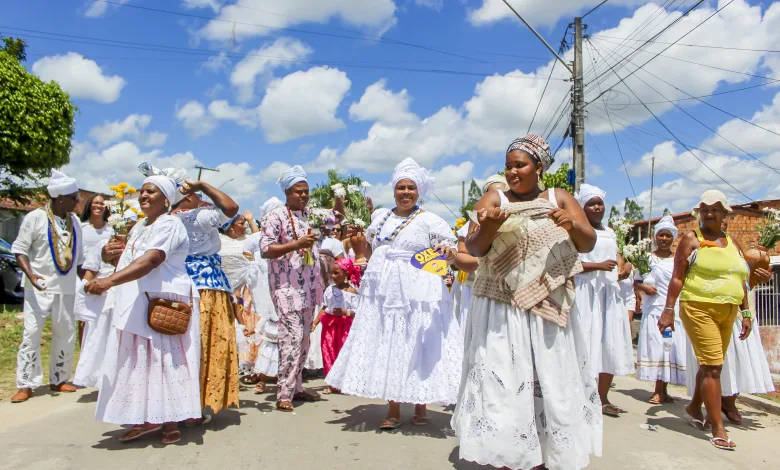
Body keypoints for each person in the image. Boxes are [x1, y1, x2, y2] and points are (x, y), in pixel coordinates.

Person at [452, 135, 600, 470]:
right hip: (501, 306)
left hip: (546, 304)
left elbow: (587, 242)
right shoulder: (494, 196)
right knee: (502, 379)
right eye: (508, 166)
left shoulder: (558, 197)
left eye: (520, 165)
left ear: (539, 167)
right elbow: (475, 249)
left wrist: (572, 224)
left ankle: (542, 454)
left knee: (546, 377)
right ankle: (507, 453)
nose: (513, 172)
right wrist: (488, 227)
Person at [326, 157, 463, 429]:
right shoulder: (380, 218)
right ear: (393, 190)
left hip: (419, 292)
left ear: (419, 191)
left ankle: (421, 405)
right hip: (385, 292)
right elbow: (370, 252)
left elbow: (449, 248)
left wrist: (448, 251)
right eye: (401, 187)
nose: (406, 193)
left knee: (417, 342)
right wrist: (359, 242)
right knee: (390, 342)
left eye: (411, 188)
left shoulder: (431, 220)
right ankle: (393, 408)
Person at [85, 174, 199, 445]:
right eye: (142, 192)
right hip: (137, 299)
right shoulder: (140, 227)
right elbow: (129, 258)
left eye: (151, 192)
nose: (144, 196)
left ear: (167, 199)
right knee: (138, 360)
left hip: (162, 302)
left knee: (165, 359)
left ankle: (171, 419)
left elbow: (152, 259)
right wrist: (107, 256)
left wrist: (108, 282)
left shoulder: (170, 224)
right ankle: (144, 417)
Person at [660, 190, 750, 451]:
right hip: (698, 307)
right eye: (705, 209)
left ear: (724, 214)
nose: (709, 213)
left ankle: (692, 407)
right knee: (713, 368)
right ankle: (717, 426)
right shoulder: (692, 239)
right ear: (699, 213)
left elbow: (740, 280)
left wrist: (746, 313)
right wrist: (668, 309)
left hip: (728, 311)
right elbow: (677, 277)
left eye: (715, 209)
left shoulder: (732, 242)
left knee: (710, 365)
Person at [162, 167, 240, 422]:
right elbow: (231, 208)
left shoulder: (163, 220)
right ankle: (193, 404)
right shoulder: (197, 217)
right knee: (203, 347)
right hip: (206, 288)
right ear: (186, 197)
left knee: (179, 348)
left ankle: (176, 403)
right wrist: (203, 185)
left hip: (173, 286)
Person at [10, 170, 84, 403]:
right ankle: (26, 383)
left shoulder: (77, 224)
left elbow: (79, 261)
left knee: (65, 334)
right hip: (38, 288)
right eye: (74, 197)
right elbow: (19, 249)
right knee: (31, 334)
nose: (78, 201)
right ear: (60, 197)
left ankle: (59, 378)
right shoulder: (35, 217)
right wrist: (31, 275)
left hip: (66, 288)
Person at [260, 165, 323, 412]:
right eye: (298, 192)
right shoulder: (274, 216)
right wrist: (296, 244)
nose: (303, 196)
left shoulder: (309, 216)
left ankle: (296, 387)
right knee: (291, 338)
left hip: (308, 286)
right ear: (287, 191)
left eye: (306, 191)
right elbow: (266, 249)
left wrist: (341, 198)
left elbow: (337, 218)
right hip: (286, 287)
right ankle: (283, 393)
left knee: (305, 339)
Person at [571, 184, 635, 418]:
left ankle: (603, 397)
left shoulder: (609, 232)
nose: (597, 207)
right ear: (582, 207)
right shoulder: (577, 231)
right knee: (585, 343)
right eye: (591, 203)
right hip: (586, 293)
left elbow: (617, 257)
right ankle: (581, 396)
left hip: (609, 294)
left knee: (609, 344)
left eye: (600, 203)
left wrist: (625, 266)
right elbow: (568, 265)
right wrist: (597, 266)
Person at [73, 209, 138, 388]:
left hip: (133, 297)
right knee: (104, 339)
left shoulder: (140, 245)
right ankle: (106, 381)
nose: (126, 230)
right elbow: (89, 274)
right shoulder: (103, 245)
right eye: (123, 226)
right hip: (107, 299)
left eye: (130, 225)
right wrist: (86, 288)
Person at [634, 216, 688, 404]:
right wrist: (643, 289)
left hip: (673, 309)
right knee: (657, 348)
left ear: (673, 238)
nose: (664, 239)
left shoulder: (679, 261)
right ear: (655, 237)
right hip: (654, 309)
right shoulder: (646, 259)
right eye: (661, 235)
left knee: (669, 348)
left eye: (668, 235)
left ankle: (664, 390)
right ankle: (657, 390)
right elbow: (637, 281)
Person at [452, 174, 509, 328]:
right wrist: (487, 262)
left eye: (503, 194)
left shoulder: (517, 223)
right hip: (474, 289)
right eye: (491, 194)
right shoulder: (472, 225)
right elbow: (459, 259)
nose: (497, 199)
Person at [244, 197, 283, 394]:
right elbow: (246, 259)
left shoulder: (286, 237)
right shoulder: (255, 238)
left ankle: (286, 380)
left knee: (285, 337)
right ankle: (262, 378)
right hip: (263, 293)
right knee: (267, 335)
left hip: (284, 289)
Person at [218, 212, 260, 376]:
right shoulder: (220, 242)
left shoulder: (247, 241)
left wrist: (251, 220)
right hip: (223, 289)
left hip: (246, 291)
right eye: (242, 223)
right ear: (230, 227)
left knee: (246, 330)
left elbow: (259, 240)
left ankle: (249, 367)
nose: (245, 227)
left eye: (245, 223)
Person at [316, 258, 361, 394]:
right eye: (332, 274)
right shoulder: (329, 289)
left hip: (345, 326)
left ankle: (344, 381)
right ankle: (331, 382)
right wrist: (315, 322)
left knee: (343, 351)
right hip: (330, 324)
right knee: (328, 351)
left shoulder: (353, 292)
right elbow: (325, 306)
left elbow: (358, 311)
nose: (333, 277)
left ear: (346, 273)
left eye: (336, 273)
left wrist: (345, 312)